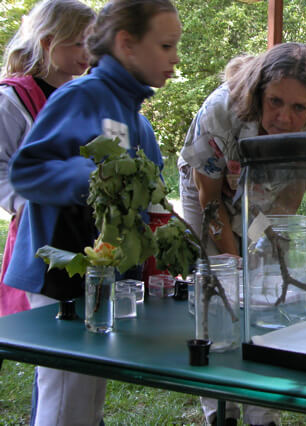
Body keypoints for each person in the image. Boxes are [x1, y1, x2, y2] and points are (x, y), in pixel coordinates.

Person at [5, 0, 181, 424]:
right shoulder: (82, 95)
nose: (175, 59)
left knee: (88, 398)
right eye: (165, 45)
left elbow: (151, 194)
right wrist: (94, 177)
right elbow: (27, 171)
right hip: (61, 273)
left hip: (103, 275)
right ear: (127, 45)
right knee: (66, 398)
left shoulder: (134, 116)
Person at [178, 42, 306, 425]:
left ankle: (261, 411)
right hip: (209, 189)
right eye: (275, 102)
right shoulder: (220, 112)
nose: (284, 117)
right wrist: (233, 260)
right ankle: (221, 409)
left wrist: (261, 242)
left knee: (267, 285)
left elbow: (290, 197)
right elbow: (211, 203)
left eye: (299, 107)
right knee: (218, 286)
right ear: (258, 93)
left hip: (268, 193)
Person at [0, 0, 95, 318]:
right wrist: (22, 203)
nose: (87, 53)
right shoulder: (12, 100)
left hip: (85, 232)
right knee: (54, 327)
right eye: (79, 43)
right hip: (40, 236)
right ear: (47, 42)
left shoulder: (82, 96)